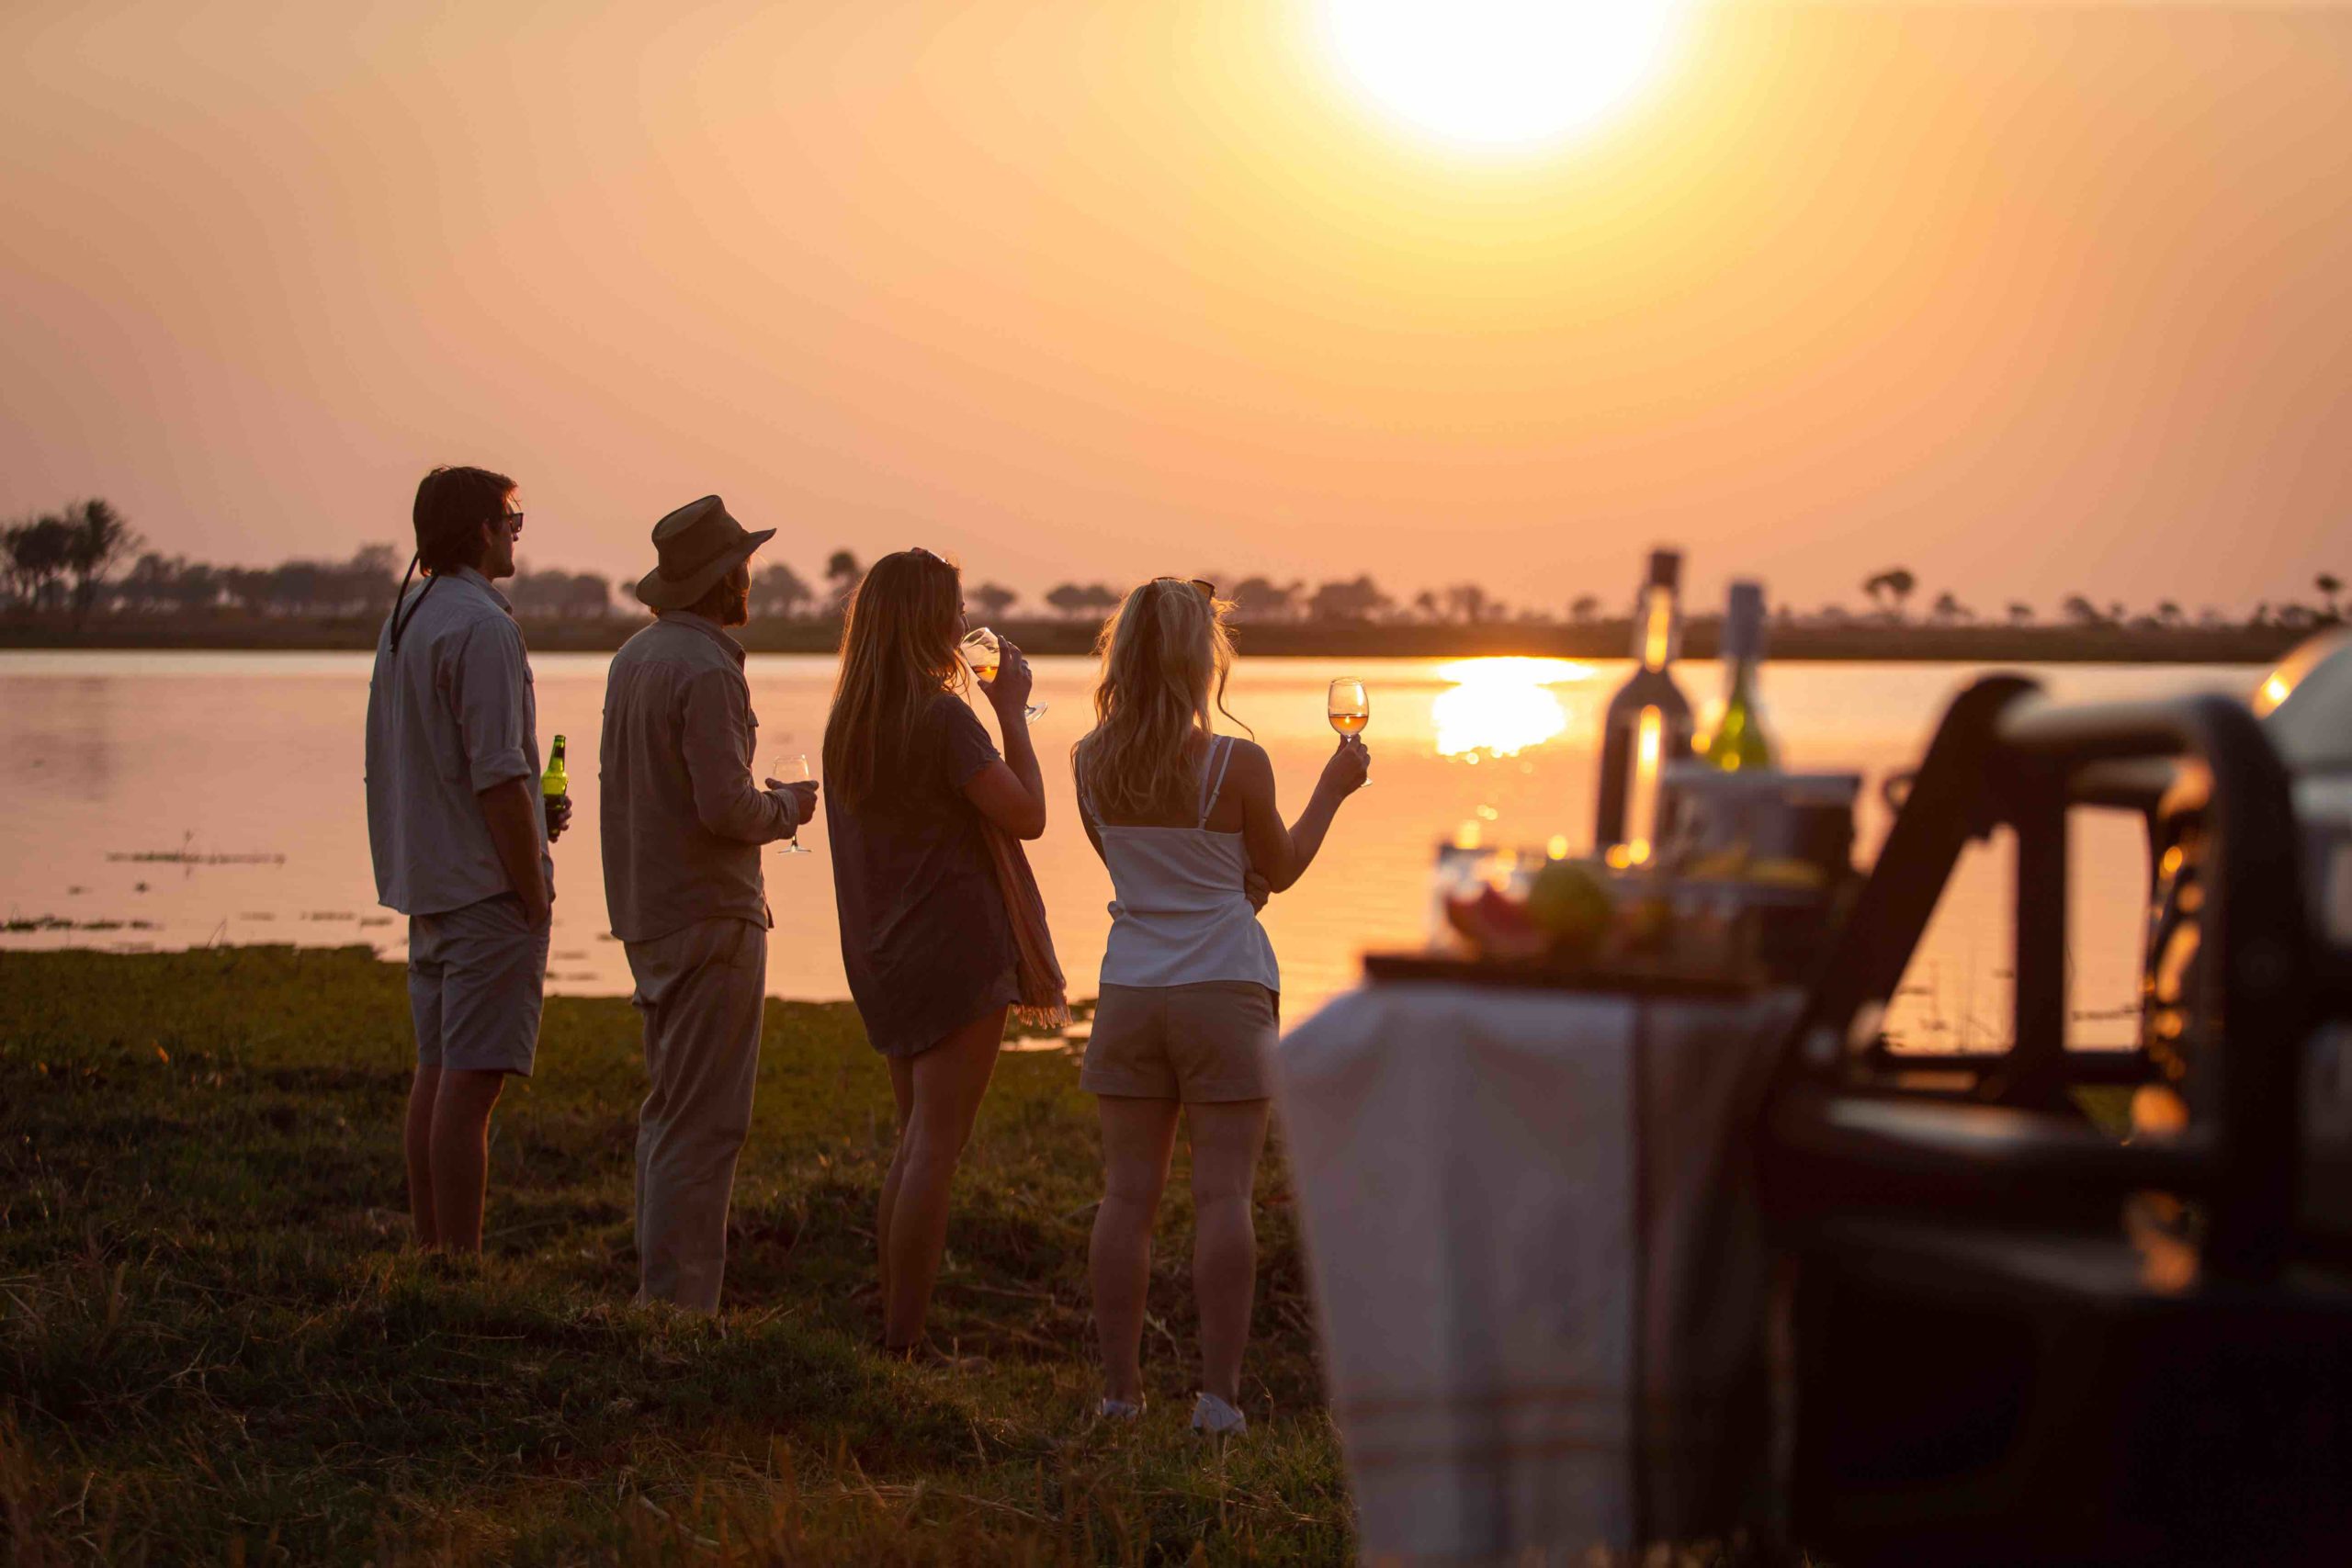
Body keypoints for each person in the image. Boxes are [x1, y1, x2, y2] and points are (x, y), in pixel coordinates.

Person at [1072, 578, 1368, 1434]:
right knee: (1223, 1196)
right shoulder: (1237, 763)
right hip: (1225, 987)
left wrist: (1220, 880)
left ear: (1122, 655)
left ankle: (1120, 1395)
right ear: (1202, 659)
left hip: (1130, 989)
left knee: (1125, 1198)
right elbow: (1275, 869)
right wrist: (1334, 789)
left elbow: (1135, 871)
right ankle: (1218, 1399)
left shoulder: (1089, 761)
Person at [822, 547, 1049, 1358]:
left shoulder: (850, 722)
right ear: (925, 620)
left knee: (915, 1141)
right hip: (955, 951)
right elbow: (1027, 816)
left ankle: (896, 1327)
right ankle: (906, 1340)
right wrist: (1011, 710)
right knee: (935, 1150)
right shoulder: (943, 717)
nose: (963, 625)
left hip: (884, 956)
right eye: (953, 610)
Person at [600, 495, 820, 1312]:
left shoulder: (635, 657)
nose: (749, 580)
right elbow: (725, 809)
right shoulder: (708, 669)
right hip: (709, 917)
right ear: (723, 578)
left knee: (670, 1115)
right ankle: (681, 1315)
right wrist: (789, 810)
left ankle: (661, 1302)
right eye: (742, 567)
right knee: (706, 1126)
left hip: (648, 910)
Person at [366, 465, 568, 1256]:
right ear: (481, 529)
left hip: (432, 881)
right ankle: (457, 1261)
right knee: (470, 1086)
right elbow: (495, 775)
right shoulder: (482, 627)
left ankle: (430, 1253)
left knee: (438, 1071)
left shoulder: (409, 617)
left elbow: (456, 762)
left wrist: (526, 817)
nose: (518, 531)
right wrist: (534, 889)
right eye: (512, 518)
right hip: (485, 889)